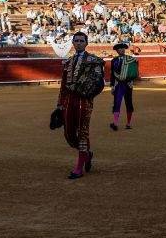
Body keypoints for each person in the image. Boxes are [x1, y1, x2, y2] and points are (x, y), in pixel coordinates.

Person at [54, 32, 105, 179]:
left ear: (86, 43)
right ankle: (87, 154)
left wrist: (88, 94)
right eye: (76, 41)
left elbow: (98, 83)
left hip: (84, 100)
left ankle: (79, 168)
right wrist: (59, 104)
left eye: (81, 41)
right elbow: (63, 86)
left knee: (83, 132)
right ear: (73, 43)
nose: (78, 43)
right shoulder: (68, 62)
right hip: (69, 100)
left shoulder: (94, 60)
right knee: (69, 133)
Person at [109, 42, 138, 131]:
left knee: (128, 103)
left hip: (128, 84)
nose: (121, 50)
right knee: (117, 103)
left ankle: (128, 123)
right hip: (118, 84)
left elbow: (134, 72)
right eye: (119, 49)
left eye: (122, 48)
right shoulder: (114, 60)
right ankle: (115, 123)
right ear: (117, 51)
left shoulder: (131, 59)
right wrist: (112, 85)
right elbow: (112, 74)